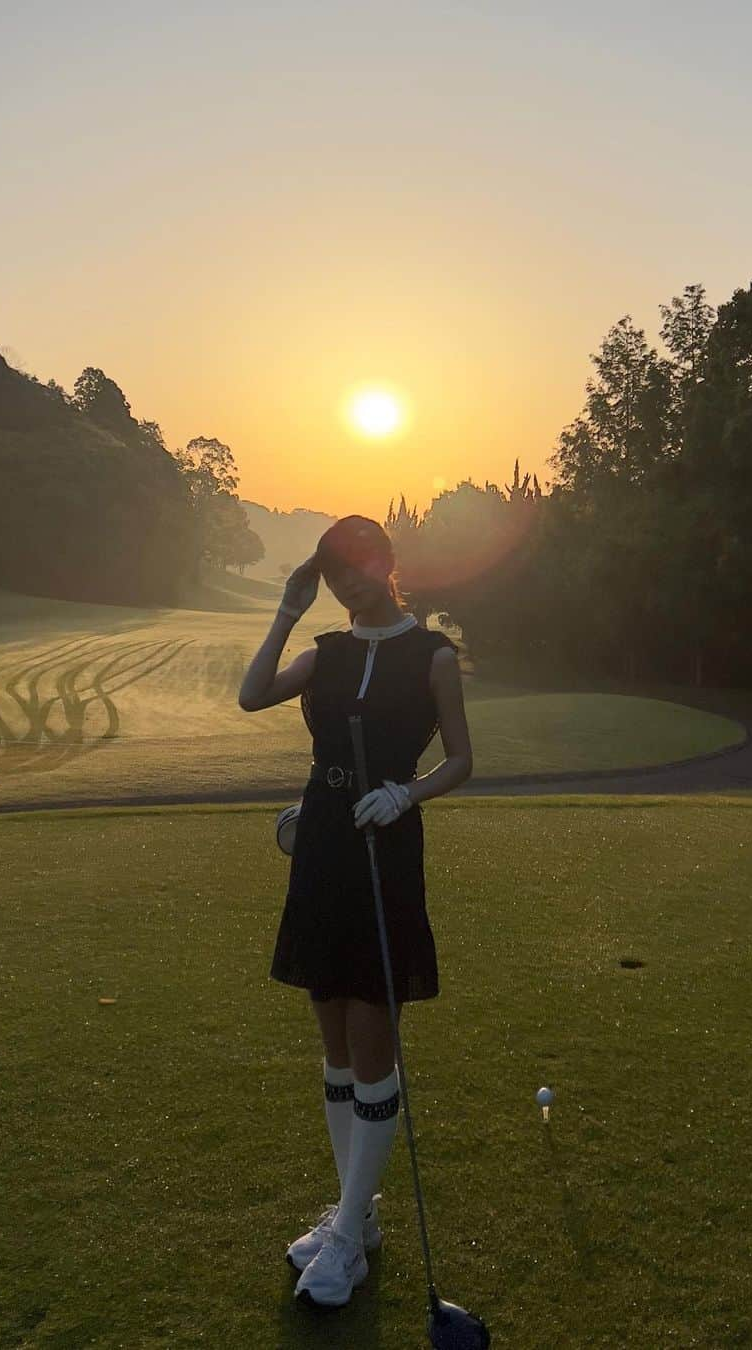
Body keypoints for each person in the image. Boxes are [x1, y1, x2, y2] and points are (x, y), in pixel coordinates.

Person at [237, 514, 473, 1311]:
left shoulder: (432, 654)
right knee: (334, 1039)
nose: (348, 583)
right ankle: (355, 1219)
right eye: (333, 574)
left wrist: (407, 791)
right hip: (325, 846)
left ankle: (346, 1238)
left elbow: (464, 760)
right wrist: (285, 612)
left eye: (358, 565)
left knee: (372, 1030)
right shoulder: (328, 652)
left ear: (387, 561)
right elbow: (251, 695)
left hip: (385, 842)